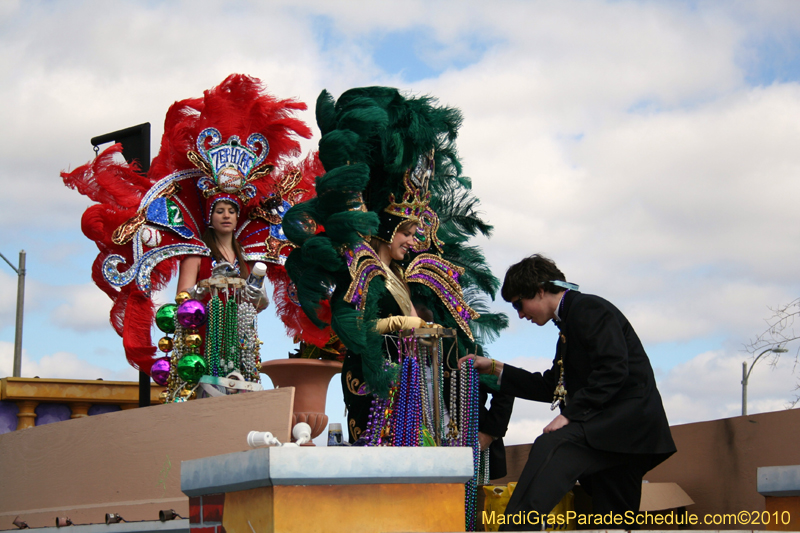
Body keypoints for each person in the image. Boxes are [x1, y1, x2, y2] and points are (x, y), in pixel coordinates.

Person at [464, 254, 675, 530]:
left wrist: (572, 415)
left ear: (540, 290)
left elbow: (613, 369)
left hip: (623, 427)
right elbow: (553, 386)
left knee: (552, 446)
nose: (520, 314)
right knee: (612, 522)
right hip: (620, 436)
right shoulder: (570, 322)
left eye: (519, 303)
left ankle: (515, 529)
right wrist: (494, 368)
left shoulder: (589, 310)